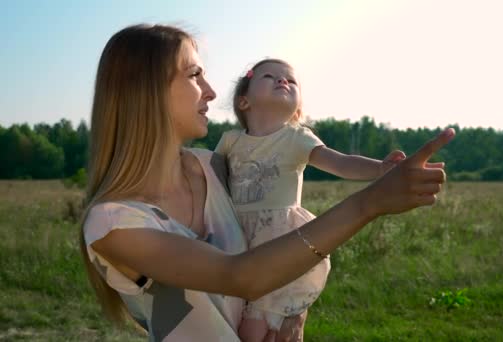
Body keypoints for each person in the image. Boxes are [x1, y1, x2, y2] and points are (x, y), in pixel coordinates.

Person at [80, 23, 455, 342]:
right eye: (195, 75)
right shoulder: (113, 223)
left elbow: (270, 247)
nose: (211, 91)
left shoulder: (213, 168)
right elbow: (241, 276)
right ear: (145, 89)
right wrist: (369, 202)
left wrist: (290, 309)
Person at [215, 58, 407, 342]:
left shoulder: (296, 138)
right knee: (230, 320)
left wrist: (380, 169)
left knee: (255, 330)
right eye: (270, 76)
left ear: (298, 108)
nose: (283, 81)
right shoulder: (230, 141)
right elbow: (212, 182)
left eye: (291, 81)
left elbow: (341, 163)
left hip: (280, 242)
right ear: (244, 101)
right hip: (235, 239)